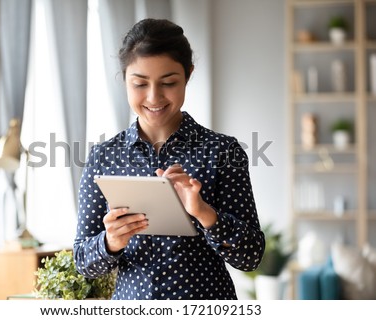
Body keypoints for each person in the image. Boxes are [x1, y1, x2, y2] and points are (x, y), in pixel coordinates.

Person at [74, 18, 265, 300]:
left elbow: (250, 258)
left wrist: (203, 212)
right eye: (140, 83)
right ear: (124, 78)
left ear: (188, 75)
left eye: (169, 82)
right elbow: (83, 261)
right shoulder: (104, 157)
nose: (154, 97)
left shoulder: (223, 151)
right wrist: (111, 241)